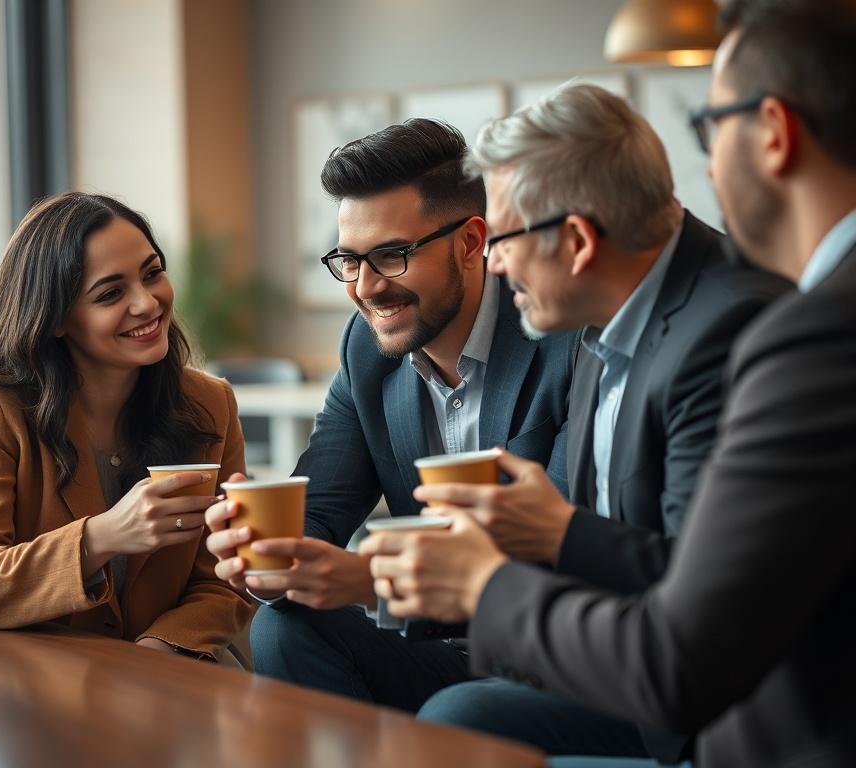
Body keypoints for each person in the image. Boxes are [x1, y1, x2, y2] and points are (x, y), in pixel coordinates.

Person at [361, 1, 856, 765]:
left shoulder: (778, 329)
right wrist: (545, 529)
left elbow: (690, 636)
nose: (489, 263)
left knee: (457, 716)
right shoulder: (595, 329)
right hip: (662, 679)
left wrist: (491, 580)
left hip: (740, 724)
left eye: (708, 125)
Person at [409, 84, 787, 763]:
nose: (490, 263)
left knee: (456, 725)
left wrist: (556, 531)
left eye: (501, 239)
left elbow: (712, 596)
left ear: (578, 241)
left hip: (724, 717)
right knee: (452, 711)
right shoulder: (601, 316)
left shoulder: (731, 327)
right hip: (621, 666)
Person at [205, 118, 579, 710]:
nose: (366, 288)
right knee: (286, 626)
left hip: (549, 650)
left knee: (462, 709)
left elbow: (565, 548)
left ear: (470, 241)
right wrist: (271, 556)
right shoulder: (366, 352)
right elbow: (322, 507)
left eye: (391, 255)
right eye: (349, 261)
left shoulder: (558, 337)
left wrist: (369, 581)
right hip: (434, 648)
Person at [0, 192, 253, 663]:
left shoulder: (209, 403)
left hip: (174, 671)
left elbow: (221, 577)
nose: (147, 302)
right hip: (36, 680)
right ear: (55, 319)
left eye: (152, 273)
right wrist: (102, 537)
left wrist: (158, 653)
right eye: (110, 293)